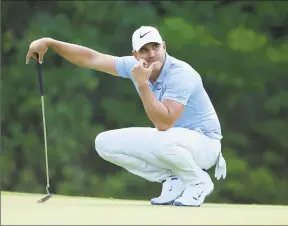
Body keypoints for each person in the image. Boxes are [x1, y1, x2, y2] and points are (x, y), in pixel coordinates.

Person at [26, 26, 227, 207]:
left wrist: (142, 84)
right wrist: (50, 43)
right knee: (104, 143)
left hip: (205, 145)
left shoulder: (181, 74)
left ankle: (198, 181)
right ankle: (174, 178)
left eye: (155, 47)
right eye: (144, 50)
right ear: (135, 54)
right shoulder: (135, 66)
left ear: (164, 47)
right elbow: (91, 58)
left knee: (162, 140)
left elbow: (164, 123)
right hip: (173, 141)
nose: (151, 54)